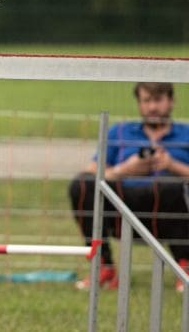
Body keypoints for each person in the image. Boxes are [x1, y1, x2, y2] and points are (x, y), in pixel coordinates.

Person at [68, 82, 189, 291]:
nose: (152, 107)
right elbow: (91, 172)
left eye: (158, 100)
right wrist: (125, 169)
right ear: (139, 103)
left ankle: (184, 267)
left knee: (170, 184)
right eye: (146, 101)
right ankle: (103, 266)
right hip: (123, 205)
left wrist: (172, 165)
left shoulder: (186, 133)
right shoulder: (119, 132)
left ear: (171, 102)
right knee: (82, 184)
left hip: (173, 209)